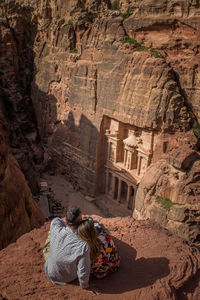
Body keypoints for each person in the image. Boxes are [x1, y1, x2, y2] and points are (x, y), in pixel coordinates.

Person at [44, 206, 90, 289]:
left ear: (67, 219)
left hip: (49, 271)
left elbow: (56, 220)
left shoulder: (56, 227)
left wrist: (66, 221)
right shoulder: (83, 245)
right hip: (68, 278)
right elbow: (83, 271)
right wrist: (85, 286)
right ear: (80, 222)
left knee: (50, 237)